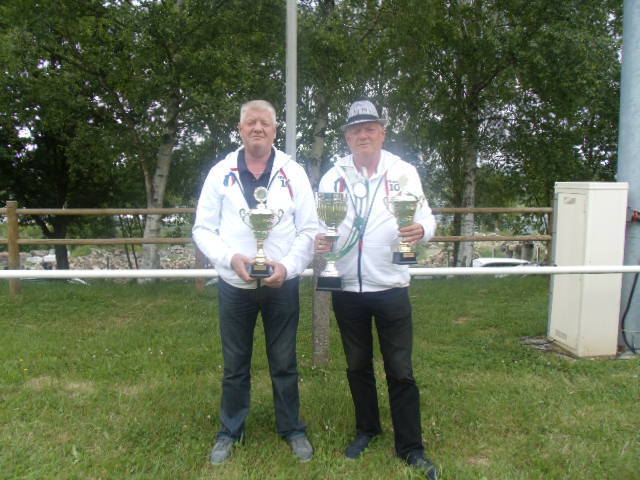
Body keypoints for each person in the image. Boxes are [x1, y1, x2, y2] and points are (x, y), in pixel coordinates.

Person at [315, 100, 439, 479]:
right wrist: (320, 241)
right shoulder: (332, 177)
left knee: (400, 369)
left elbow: (426, 217)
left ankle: (411, 447)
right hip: (347, 286)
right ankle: (367, 429)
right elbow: (321, 225)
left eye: (369, 128)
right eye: (355, 130)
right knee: (357, 365)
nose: (362, 135)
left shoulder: (404, 172)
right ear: (347, 137)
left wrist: (422, 231)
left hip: (391, 285)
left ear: (382, 132)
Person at [193, 99, 318, 464]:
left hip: (282, 284)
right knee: (235, 364)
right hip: (235, 285)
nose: (258, 128)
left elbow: (308, 230)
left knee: (284, 361)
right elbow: (202, 229)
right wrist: (230, 259)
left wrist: (289, 267)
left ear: (275, 130)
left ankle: (292, 428)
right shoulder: (220, 173)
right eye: (251, 122)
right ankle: (230, 431)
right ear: (240, 128)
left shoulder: (293, 173)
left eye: (265, 122)